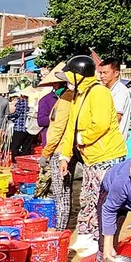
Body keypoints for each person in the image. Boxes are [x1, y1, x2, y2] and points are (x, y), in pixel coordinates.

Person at [56, 55, 128, 257]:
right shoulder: (78, 95)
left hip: (107, 155)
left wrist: (82, 138)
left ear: (79, 76)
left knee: (103, 199)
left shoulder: (99, 93)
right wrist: (64, 156)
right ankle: (86, 234)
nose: (67, 81)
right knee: (87, 197)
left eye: (69, 77)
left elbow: (101, 124)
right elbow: (71, 128)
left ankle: (101, 239)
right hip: (90, 157)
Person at [38, 65, 77, 230]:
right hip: (63, 148)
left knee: (61, 193)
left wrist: (46, 153)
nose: (55, 87)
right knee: (64, 191)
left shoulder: (67, 99)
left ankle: (61, 228)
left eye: (57, 84)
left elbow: (58, 128)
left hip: (59, 150)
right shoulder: (67, 98)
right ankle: (62, 226)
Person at [97, 58, 131, 142]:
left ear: (116, 73)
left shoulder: (119, 90)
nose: (102, 76)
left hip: (113, 140)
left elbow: (117, 117)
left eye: (105, 73)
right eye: (101, 73)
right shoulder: (107, 90)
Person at [8, 90, 35, 159]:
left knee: (15, 146)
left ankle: (15, 161)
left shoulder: (21, 102)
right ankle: (25, 161)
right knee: (26, 147)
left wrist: (9, 116)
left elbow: (17, 113)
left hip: (20, 127)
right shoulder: (33, 102)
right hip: (29, 128)